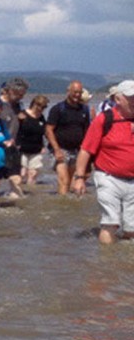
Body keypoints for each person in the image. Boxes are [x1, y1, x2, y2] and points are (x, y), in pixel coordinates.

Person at [73, 80, 134, 244]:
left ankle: (122, 264)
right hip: (108, 177)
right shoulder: (104, 120)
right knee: (111, 223)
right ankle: (104, 264)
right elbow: (86, 150)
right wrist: (79, 178)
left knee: (131, 229)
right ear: (118, 100)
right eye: (131, 98)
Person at [45, 80, 91, 195]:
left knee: (72, 181)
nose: (77, 95)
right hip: (60, 149)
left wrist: (86, 151)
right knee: (64, 180)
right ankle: (62, 206)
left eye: (79, 93)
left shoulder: (84, 110)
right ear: (68, 91)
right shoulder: (58, 109)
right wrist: (56, 150)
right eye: (75, 92)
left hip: (76, 150)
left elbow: (87, 131)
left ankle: (70, 208)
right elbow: (49, 130)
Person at [16, 95, 50, 186]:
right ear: (33, 104)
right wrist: (16, 144)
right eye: (39, 106)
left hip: (36, 149)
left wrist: (43, 146)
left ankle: (31, 191)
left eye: (43, 107)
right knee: (22, 173)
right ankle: (19, 192)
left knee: (33, 174)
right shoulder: (22, 115)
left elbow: (43, 132)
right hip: (22, 148)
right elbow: (15, 130)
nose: (40, 109)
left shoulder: (41, 118)